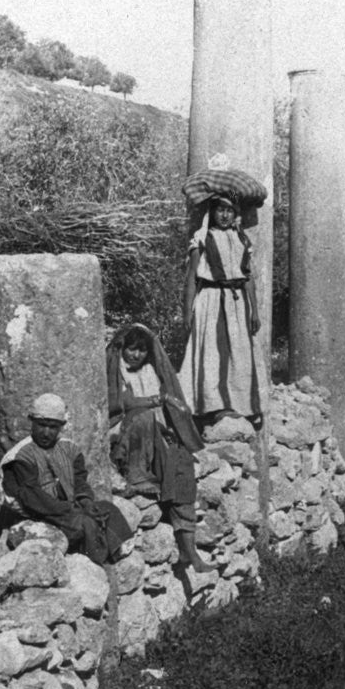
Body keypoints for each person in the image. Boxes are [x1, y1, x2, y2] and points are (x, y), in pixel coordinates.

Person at [106, 323, 215, 574]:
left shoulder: (150, 372)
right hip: (126, 435)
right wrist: (162, 399)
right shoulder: (116, 370)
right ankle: (138, 474)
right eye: (132, 349)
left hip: (154, 435)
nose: (136, 355)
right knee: (143, 417)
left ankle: (189, 550)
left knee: (181, 466)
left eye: (142, 350)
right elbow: (124, 403)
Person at [0, 393, 133, 565]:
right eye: (41, 425)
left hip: (64, 507)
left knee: (106, 508)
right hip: (35, 513)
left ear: (61, 427)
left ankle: (114, 554)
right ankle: (95, 562)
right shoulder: (21, 456)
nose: (46, 432)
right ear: (32, 422)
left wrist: (86, 502)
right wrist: (72, 510)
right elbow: (33, 498)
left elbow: (80, 481)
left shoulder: (69, 449)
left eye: (52, 427)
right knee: (85, 524)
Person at [177, 192, 262, 425]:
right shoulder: (202, 238)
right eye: (220, 209)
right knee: (212, 352)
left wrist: (254, 310)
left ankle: (240, 403)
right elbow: (192, 277)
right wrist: (187, 312)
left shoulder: (242, 240)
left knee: (238, 351)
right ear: (212, 212)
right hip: (211, 300)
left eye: (229, 210)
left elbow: (249, 277)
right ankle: (212, 404)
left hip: (237, 302)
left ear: (235, 214)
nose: (224, 215)